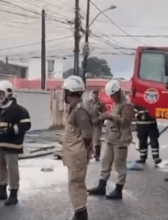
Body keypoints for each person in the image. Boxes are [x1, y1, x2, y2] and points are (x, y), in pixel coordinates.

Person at [87, 79, 134, 200]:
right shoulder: (117, 104)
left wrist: (111, 117)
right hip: (111, 138)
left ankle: (119, 190)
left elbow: (126, 123)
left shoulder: (127, 105)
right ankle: (101, 186)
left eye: (112, 95)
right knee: (105, 162)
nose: (111, 98)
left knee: (119, 165)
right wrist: (106, 116)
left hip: (121, 140)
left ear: (118, 92)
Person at [0, 80, 31, 206]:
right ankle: (1, 190)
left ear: (8, 93)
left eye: (1, 94)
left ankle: (13, 193)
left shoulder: (20, 110)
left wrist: (10, 130)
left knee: (12, 170)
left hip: (12, 145)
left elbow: (26, 125)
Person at [62, 76, 92, 220]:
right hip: (73, 153)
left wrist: (83, 152)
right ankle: (79, 211)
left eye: (65, 91)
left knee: (76, 183)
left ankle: (81, 213)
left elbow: (87, 134)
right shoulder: (74, 109)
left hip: (77, 153)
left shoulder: (80, 111)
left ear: (69, 92)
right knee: (74, 183)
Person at [86, 89, 106, 161]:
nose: (94, 95)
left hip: (97, 123)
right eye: (93, 94)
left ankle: (97, 155)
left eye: (96, 94)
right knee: (88, 139)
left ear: (98, 95)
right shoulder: (88, 103)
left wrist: (100, 121)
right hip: (88, 123)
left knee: (97, 139)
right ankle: (88, 154)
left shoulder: (101, 103)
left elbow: (103, 114)